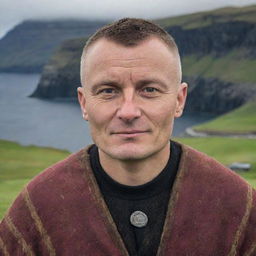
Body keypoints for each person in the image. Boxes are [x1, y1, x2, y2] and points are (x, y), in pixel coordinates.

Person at [0, 18, 256, 256]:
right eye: (108, 90)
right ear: (84, 103)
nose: (128, 111)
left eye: (150, 90)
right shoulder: (36, 210)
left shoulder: (240, 207)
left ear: (179, 100)